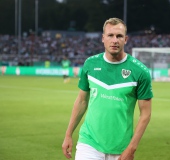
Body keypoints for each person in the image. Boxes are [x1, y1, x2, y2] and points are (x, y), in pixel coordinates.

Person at [62, 17, 153, 160]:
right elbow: (81, 101)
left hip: (121, 149)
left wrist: (131, 148)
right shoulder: (90, 64)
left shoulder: (140, 72)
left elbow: (145, 114)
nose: (115, 40)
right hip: (89, 143)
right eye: (110, 35)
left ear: (126, 39)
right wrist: (68, 134)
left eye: (119, 36)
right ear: (103, 38)